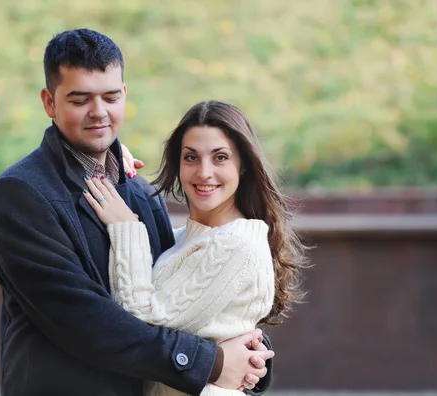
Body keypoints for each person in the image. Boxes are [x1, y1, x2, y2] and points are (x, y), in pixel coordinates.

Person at [0, 29, 274, 396]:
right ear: (49, 102)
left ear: (125, 96)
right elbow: (81, 320)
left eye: (110, 96)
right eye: (80, 99)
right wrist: (212, 363)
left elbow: (180, 295)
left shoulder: (140, 193)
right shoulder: (21, 195)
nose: (99, 112)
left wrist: (249, 356)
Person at [82, 100, 308, 395]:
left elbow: (140, 323)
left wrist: (126, 227)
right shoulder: (187, 239)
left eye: (220, 157)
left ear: (243, 166)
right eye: (191, 157)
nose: (203, 172)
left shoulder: (235, 244)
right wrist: (112, 165)